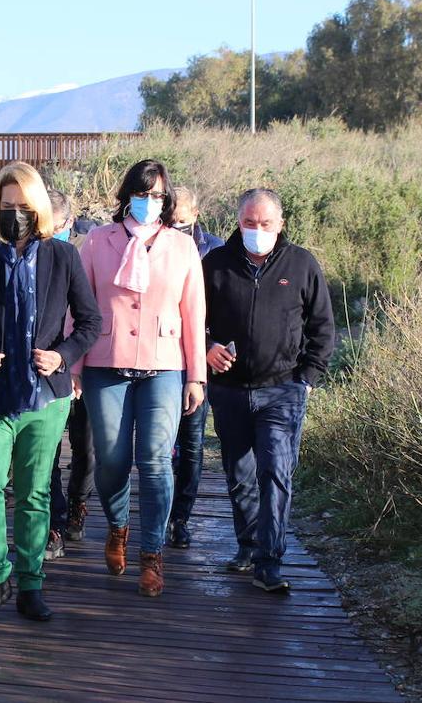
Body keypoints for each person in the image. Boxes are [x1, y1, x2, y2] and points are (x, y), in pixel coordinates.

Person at [0, 162, 101, 621]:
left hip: (45, 397)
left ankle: (31, 582)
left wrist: (62, 356)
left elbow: (90, 322)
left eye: (23, 206)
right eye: (6, 205)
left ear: (39, 209)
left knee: (34, 493)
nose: (14, 214)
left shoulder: (64, 256)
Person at [74, 159, 206, 597]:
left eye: (157, 195)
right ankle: (118, 527)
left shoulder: (182, 247)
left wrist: (196, 376)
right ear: (127, 195)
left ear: (166, 201)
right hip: (105, 363)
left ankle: (152, 553)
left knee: (155, 460)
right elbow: (80, 306)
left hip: (164, 365)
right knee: (111, 459)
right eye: (142, 193)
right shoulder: (98, 240)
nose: (150, 202)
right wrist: (73, 367)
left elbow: (194, 313)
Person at [202, 188, 335, 593]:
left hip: (282, 390)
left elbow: (322, 328)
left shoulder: (302, 264)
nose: (256, 230)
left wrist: (306, 379)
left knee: (275, 472)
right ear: (238, 222)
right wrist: (207, 348)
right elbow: (190, 320)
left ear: (281, 224)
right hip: (229, 391)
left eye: (265, 223)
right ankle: (248, 545)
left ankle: (269, 561)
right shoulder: (216, 264)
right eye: (249, 223)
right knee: (240, 474)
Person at [166, 187, 224, 549]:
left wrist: (210, 345)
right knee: (158, 443)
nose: (176, 225)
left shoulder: (215, 252)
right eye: (171, 219)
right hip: (162, 356)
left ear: (196, 214)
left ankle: (181, 518)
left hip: (199, 358)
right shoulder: (154, 243)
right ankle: (158, 511)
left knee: (192, 442)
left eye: (182, 220)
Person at [44, 188, 97, 560]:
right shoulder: (30, 252)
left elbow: (93, 317)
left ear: (69, 222)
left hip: (83, 362)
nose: (48, 233)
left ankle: (79, 503)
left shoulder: (87, 251)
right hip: (46, 369)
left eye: (55, 226)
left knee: (85, 445)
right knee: (47, 450)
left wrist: (76, 364)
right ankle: (54, 522)